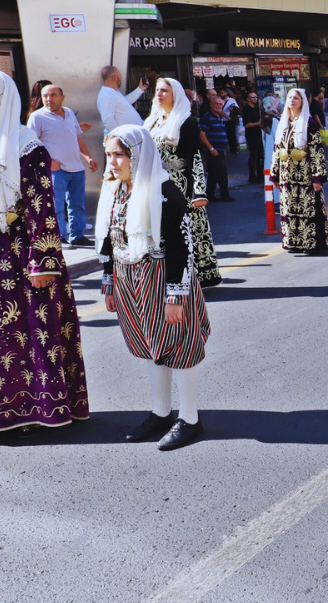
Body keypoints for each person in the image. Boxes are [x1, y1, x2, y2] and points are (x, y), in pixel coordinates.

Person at [0, 71, 89, 438]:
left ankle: (33, 409)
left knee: (15, 333)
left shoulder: (25, 146)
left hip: (14, 257)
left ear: (0, 100)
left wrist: (43, 261)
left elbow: (41, 206)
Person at [93, 124, 209, 450]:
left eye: (120, 155)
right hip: (129, 278)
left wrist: (176, 296)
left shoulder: (166, 193)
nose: (113, 162)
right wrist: (109, 281)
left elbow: (182, 247)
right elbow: (109, 237)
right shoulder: (117, 191)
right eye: (109, 155)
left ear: (138, 155)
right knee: (150, 344)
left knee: (179, 346)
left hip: (162, 277)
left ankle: (190, 419)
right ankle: (160, 412)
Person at [144, 78, 222, 289]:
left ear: (175, 95)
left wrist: (198, 192)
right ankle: (168, 277)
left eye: (164, 91)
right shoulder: (152, 121)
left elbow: (195, 158)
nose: (159, 94)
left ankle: (195, 278)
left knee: (187, 230)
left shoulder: (186, 121)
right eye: (157, 90)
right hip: (156, 184)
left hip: (181, 185)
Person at [27, 84, 100, 247]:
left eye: (53, 95)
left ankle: (77, 235)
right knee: (56, 205)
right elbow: (31, 144)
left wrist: (88, 157)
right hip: (55, 171)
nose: (48, 99)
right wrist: (49, 163)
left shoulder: (69, 113)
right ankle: (59, 237)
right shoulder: (37, 117)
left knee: (77, 204)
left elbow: (78, 138)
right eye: (45, 96)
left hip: (77, 168)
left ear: (62, 97)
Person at [271, 88, 328, 254]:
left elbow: (317, 152)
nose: (292, 100)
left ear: (303, 101)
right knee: (289, 209)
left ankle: (311, 243)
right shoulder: (283, 122)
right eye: (290, 97)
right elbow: (277, 149)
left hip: (305, 175)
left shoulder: (309, 124)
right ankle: (294, 242)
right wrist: (275, 173)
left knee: (308, 208)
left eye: (296, 98)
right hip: (286, 174)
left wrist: (317, 177)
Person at [198, 96, 234, 202]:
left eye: (220, 104)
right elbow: (202, 134)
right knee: (222, 173)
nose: (218, 106)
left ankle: (210, 195)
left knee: (213, 173)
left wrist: (223, 149)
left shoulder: (219, 117)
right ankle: (225, 194)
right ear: (211, 105)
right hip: (212, 150)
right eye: (216, 104)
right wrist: (211, 148)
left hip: (219, 149)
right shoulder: (207, 117)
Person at [96, 65, 148, 136]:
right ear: (114, 77)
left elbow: (125, 102)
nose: (121, 77)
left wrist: (140, 89)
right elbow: (107, 120)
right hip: (123, 140)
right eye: (120, 75)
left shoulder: (113, 92)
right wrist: (119, 138)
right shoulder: (107, 94)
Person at [242, 91, 265, 184]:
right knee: (253, 156)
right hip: (252, 135)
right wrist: (258, 123)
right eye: (252, 97)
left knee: (260, 155)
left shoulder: (256, 108)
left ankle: (260, 174)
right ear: (248, 99)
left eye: (255, 97)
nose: (255, 98)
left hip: (258, 134)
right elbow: (246, 125)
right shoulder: (246, 109)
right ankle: (252, 176)